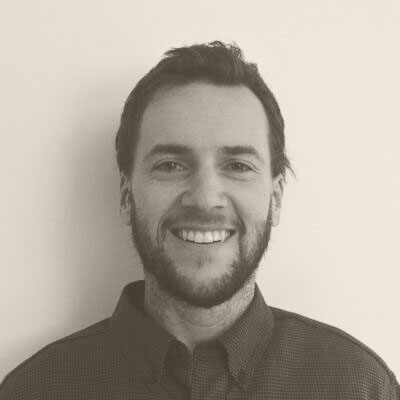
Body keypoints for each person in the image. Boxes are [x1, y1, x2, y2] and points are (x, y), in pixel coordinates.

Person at [0, 41, 398, 400]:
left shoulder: (359, 386)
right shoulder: (35, 390)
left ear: (275, 198)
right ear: (126, 195)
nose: (206, 198)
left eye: (237, 165)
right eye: (171, 165)